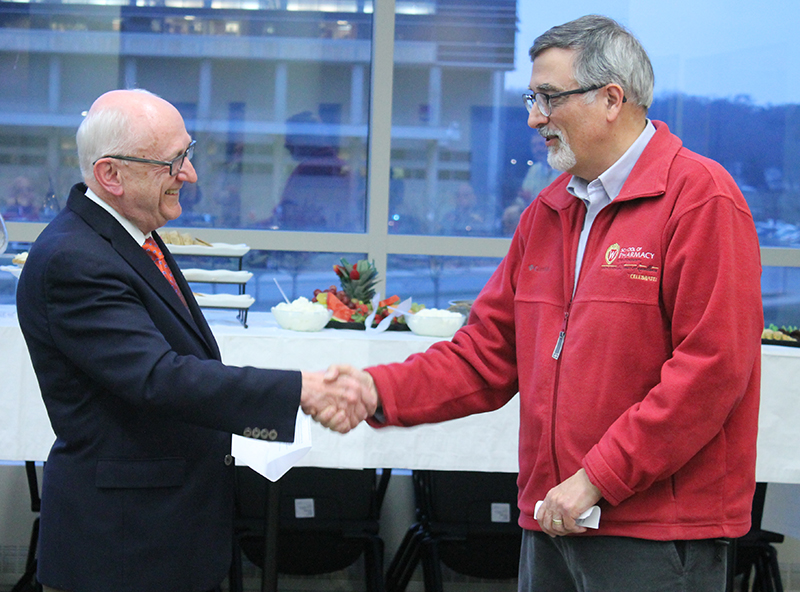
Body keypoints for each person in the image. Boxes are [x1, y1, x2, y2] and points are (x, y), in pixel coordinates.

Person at [332, 15, 763, 591]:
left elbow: (711, 372)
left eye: (550, 98)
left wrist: (598, 478)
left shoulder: (701, 199)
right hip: (552, 520)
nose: (535, 117)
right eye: (533, 98)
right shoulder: (550, 210)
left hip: (653, 533)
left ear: (612, 99)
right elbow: (484, 354)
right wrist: (379, 391)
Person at [15, 89, 375, 592]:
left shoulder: (129, 233)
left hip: (161, 533)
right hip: (122, 547)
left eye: (188, 152)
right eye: (173, 162)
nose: (190, 174)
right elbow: (158, 377)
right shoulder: (74, 259)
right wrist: (301, 391)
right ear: (110, 175)